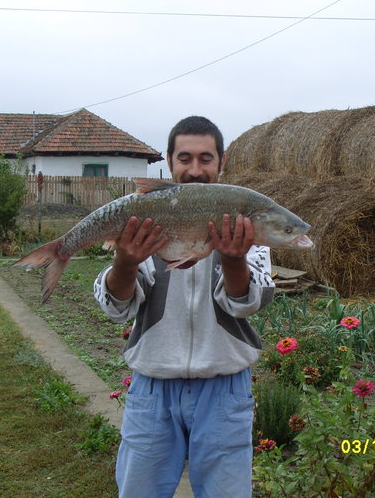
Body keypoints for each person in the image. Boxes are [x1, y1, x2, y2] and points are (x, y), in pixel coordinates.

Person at [93, 116, 275, 498]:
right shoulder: (147, 216)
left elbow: (248, 304)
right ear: (169, 161)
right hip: (152, 389)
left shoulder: (243, 221)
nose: (195, 170)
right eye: (185, 158)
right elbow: (117, 307)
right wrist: (125, 262)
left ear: (221, 162)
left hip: (226, 390)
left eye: (205, 159)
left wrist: (233, 258)